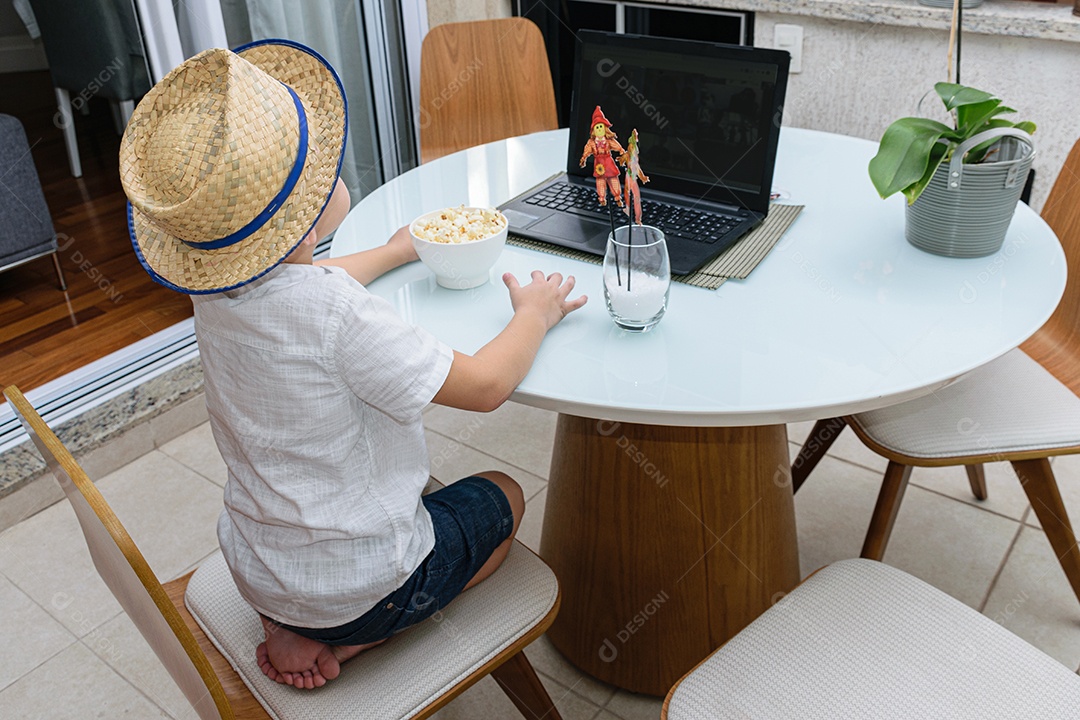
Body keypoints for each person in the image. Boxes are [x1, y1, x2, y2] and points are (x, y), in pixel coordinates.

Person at [119, 41, 586, 690]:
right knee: (503, 493)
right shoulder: (337, 314)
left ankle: (292, 622)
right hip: (363, 588)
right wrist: (535, 313)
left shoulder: (215, 294)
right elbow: (485, 387)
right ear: (305, 211)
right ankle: (370, 633)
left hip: (260, 570)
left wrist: (393, 252)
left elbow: (301, 283)